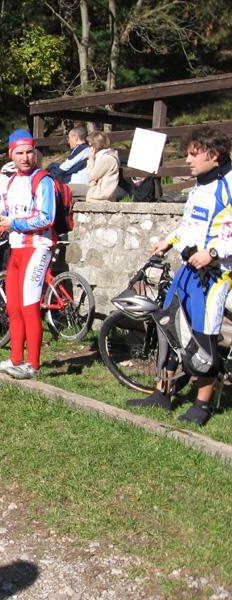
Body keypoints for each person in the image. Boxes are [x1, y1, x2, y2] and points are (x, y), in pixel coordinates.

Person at [128, 126, 232, 426]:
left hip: (214, 275)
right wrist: (169, 241)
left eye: (192, 154)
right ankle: (162, 393)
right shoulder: (201, 184)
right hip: (188, 269)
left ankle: (202, 404)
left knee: (203, 339)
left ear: (213, 154)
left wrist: (212, 253)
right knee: (170, 328)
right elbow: (189, 225)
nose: (187, 160)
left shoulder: (228, 184)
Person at [0, 129, 56, 380]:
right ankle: (16, 358)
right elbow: (10, 213)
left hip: (37, 248)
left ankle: (33, 364)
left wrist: (12, 223)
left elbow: (46, 217)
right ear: (11, 154)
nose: (25, 157)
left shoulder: (42, 179)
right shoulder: (12, 181)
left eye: (29, 152)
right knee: (14, 307)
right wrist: (0, 221)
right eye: (20, 153)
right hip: (16, 248)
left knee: (29, 306)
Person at [85, 131, 120, 202]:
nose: (89, 148)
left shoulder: (106, 159)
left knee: (68, 190)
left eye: (90, 145)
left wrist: (90, 160)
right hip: (96, 189)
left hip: (100, 193)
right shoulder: (103, 157)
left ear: (95, 146)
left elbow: (91, 176)